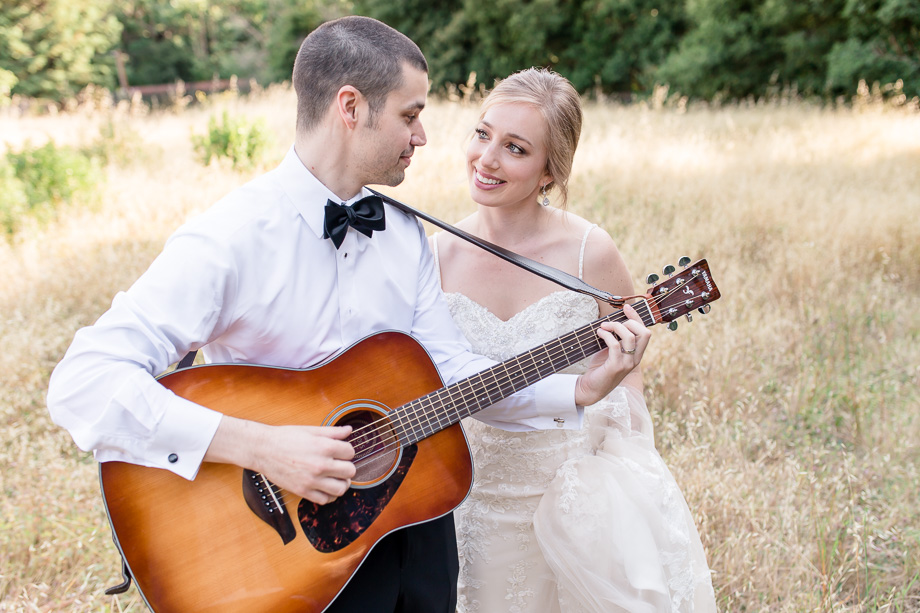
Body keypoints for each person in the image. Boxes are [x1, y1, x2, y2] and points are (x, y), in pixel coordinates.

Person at [45, 18, 649, 613]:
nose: (424, 137)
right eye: (410, 115)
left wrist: (580, 389)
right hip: (287, 551)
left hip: (415, 521)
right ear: (351, 107)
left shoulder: (406, 233)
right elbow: (83, 382)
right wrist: (261, 446)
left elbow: (447, 368)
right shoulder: (230, 239)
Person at [429, 68, 717, 612]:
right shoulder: (436, 255)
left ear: (549, 171)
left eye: (515, 148)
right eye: (482, 133)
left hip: (568, 494)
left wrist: (616, 426)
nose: (486, 159)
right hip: (468, 496)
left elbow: (625, 364)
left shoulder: (590, 251)